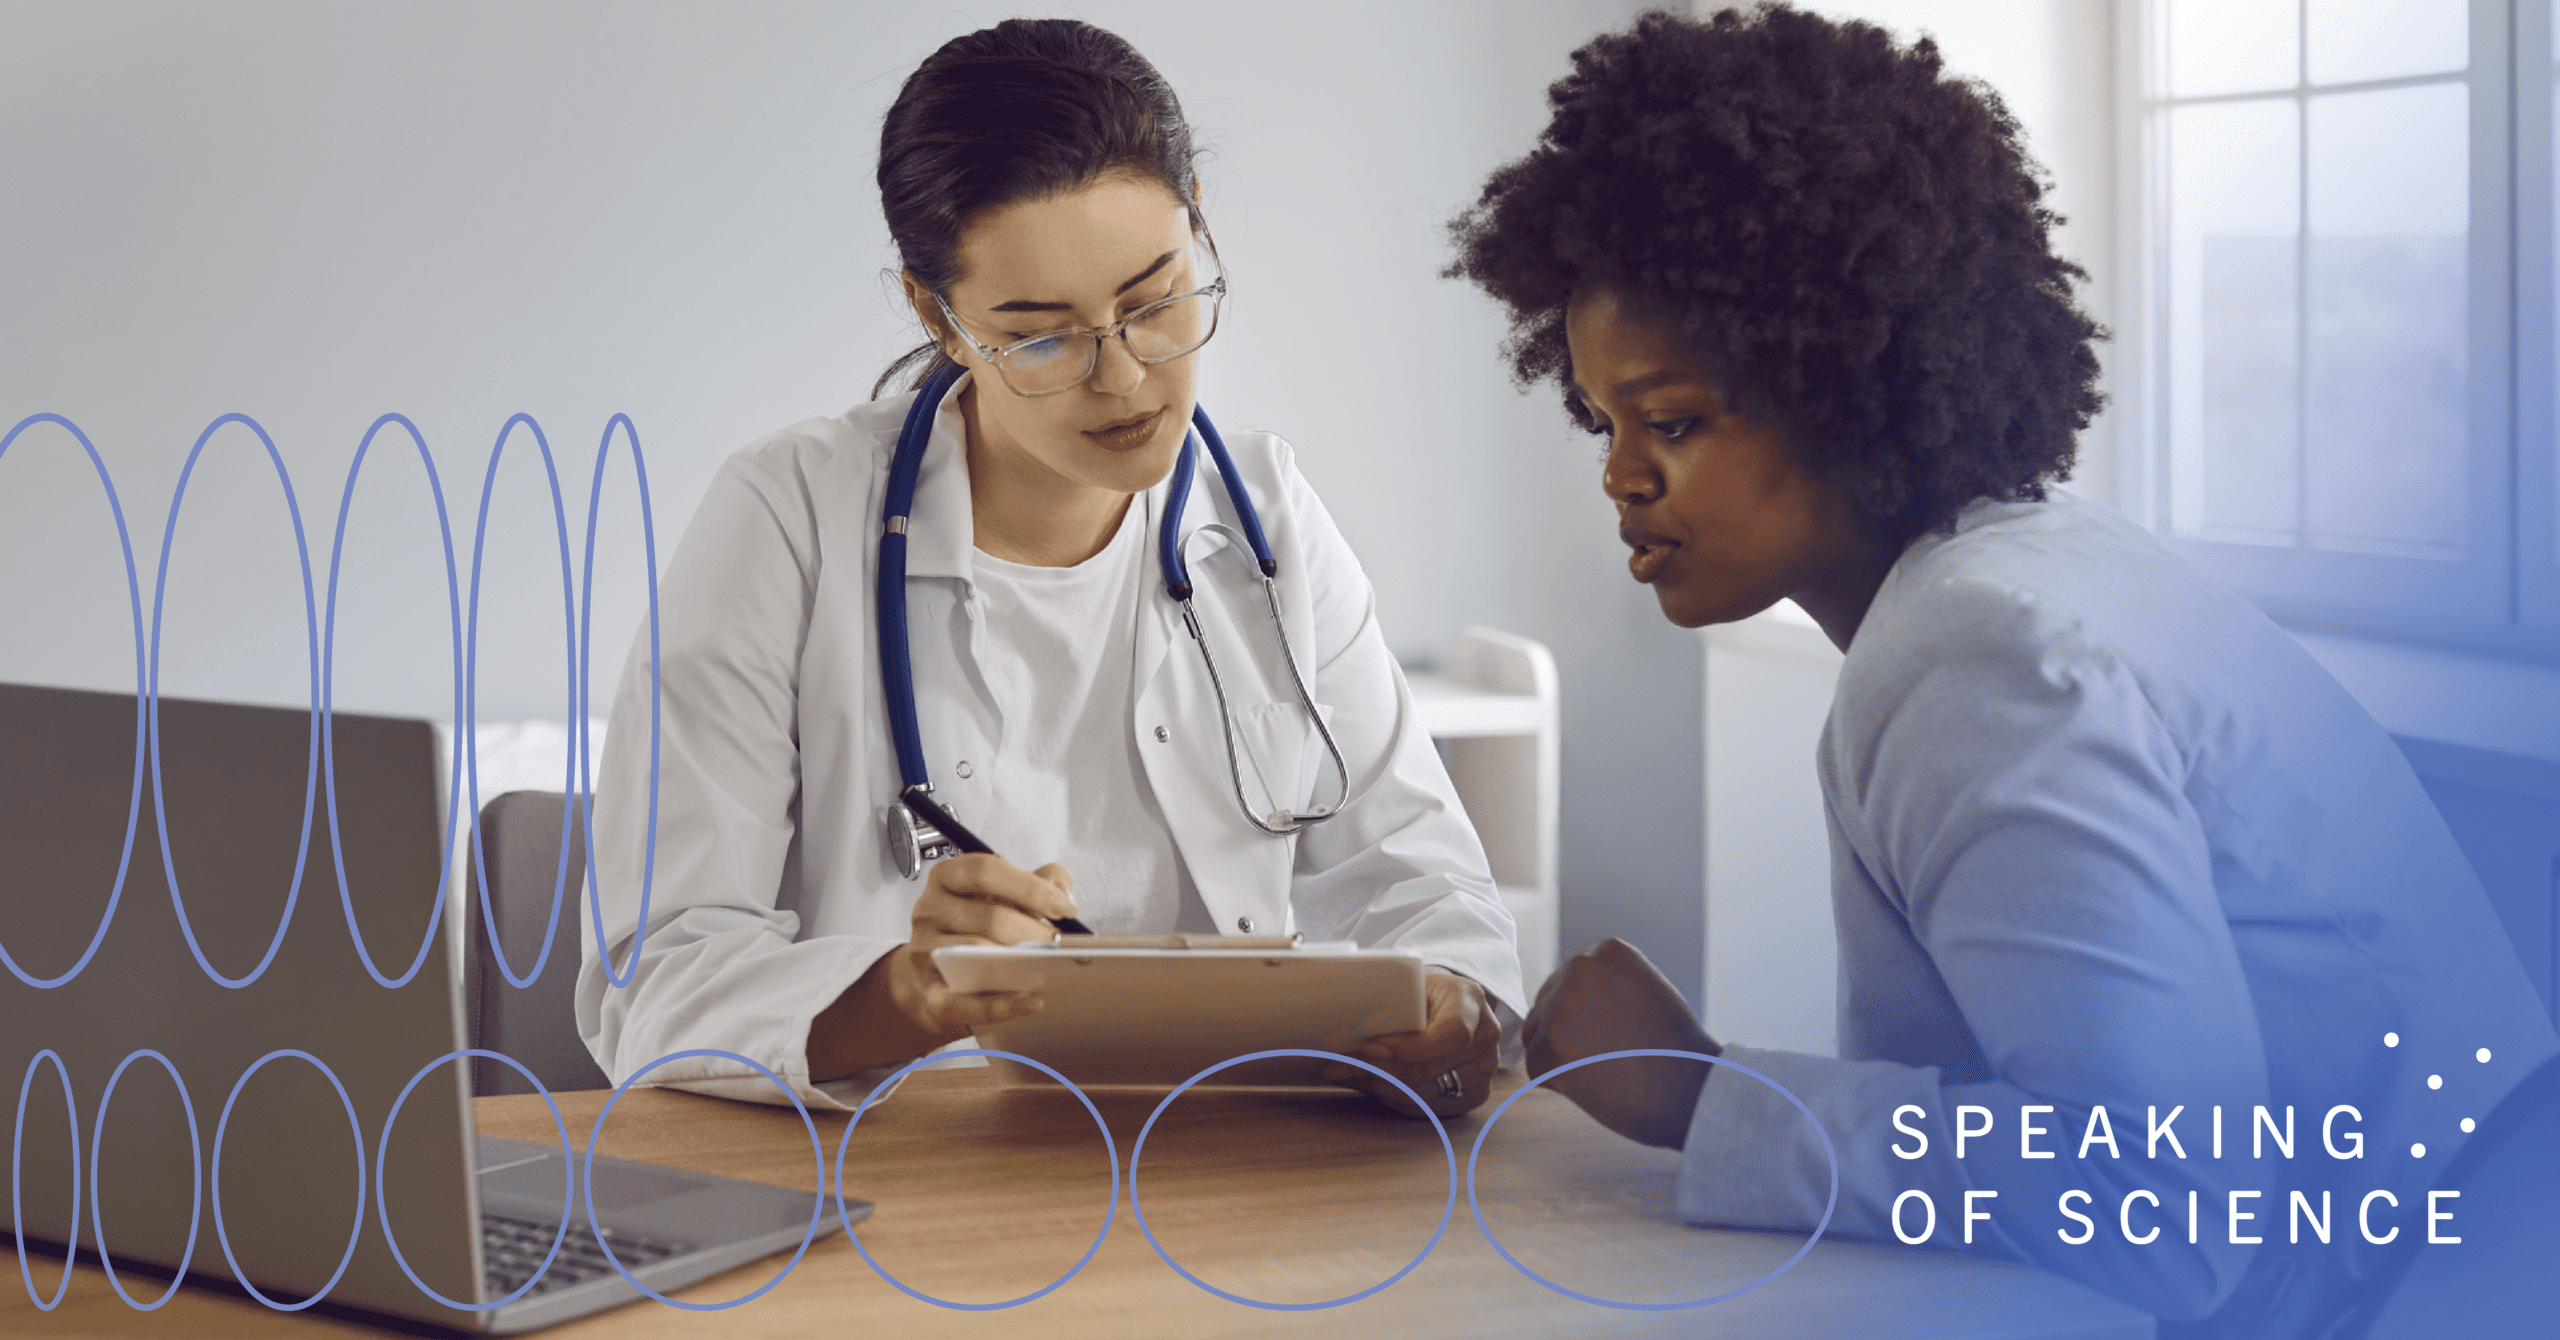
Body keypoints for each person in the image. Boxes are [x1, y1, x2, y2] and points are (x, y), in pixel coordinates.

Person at [1446, 6, 2559, 1335]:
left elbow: (2165, 1209)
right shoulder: (2042, 568)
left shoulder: (1982, 654)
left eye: (1673, 422)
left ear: (1849, 380)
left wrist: (1702, 1090)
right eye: (1605, 422)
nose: (1623, 477)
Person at [577, 18, 1519, 1119]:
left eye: (1155, 298)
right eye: (1041, 335)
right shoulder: (789, 518)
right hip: (900, 1195)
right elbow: (661, 971)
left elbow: (1432, 892)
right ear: (937, 313)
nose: (1122, 375)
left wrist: (1450, 1010)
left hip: (1224, 1176)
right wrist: (903, 996)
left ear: (1196, 220)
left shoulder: (1261, 518)